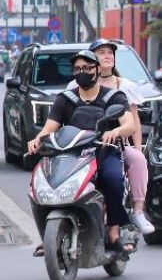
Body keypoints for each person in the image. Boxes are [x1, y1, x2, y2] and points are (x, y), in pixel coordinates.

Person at [28, 49, 137, 254]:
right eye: (78, 69)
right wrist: (36, 140)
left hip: (104, 152)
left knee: (113, 179)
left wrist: (115, 131)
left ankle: (114, 230)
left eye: (87, 68)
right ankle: (48, 236)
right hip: (71, 154)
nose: (82, 72)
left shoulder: (114, 97)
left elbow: (129, 124)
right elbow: (49, 128)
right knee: (40, 183)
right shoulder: (65, 99)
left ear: (97, 70)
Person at [65, 39, 154, 235]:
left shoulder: (125, 86)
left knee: (137, 159)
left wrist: (137, 148)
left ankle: (138, 211)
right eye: (102, 52)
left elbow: (134, 122)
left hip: (116, 147)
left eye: (110, 52)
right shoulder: (75, 85)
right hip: (82, 147)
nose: (108, 56)